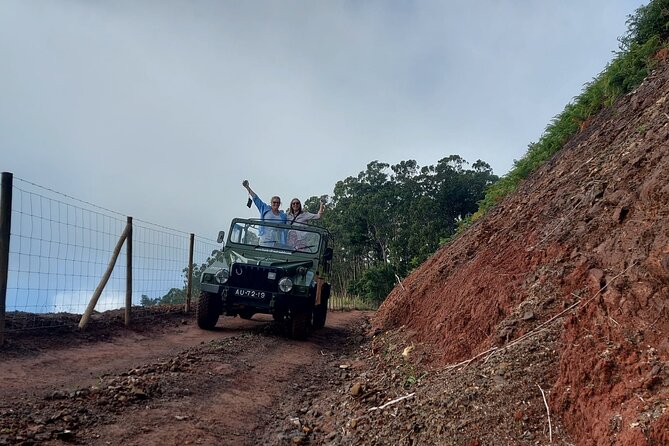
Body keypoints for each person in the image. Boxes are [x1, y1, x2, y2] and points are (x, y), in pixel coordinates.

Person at [242, 180, 287, 245]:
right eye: (274, 202)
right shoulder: (264, 208)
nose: (276, 204)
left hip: (277, 243)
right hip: (264, 240)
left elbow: (287, 226)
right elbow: (255, 198)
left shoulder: (283, 216)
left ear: (280, 204)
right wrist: (247, 187)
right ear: (271, 203)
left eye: (278, 202)